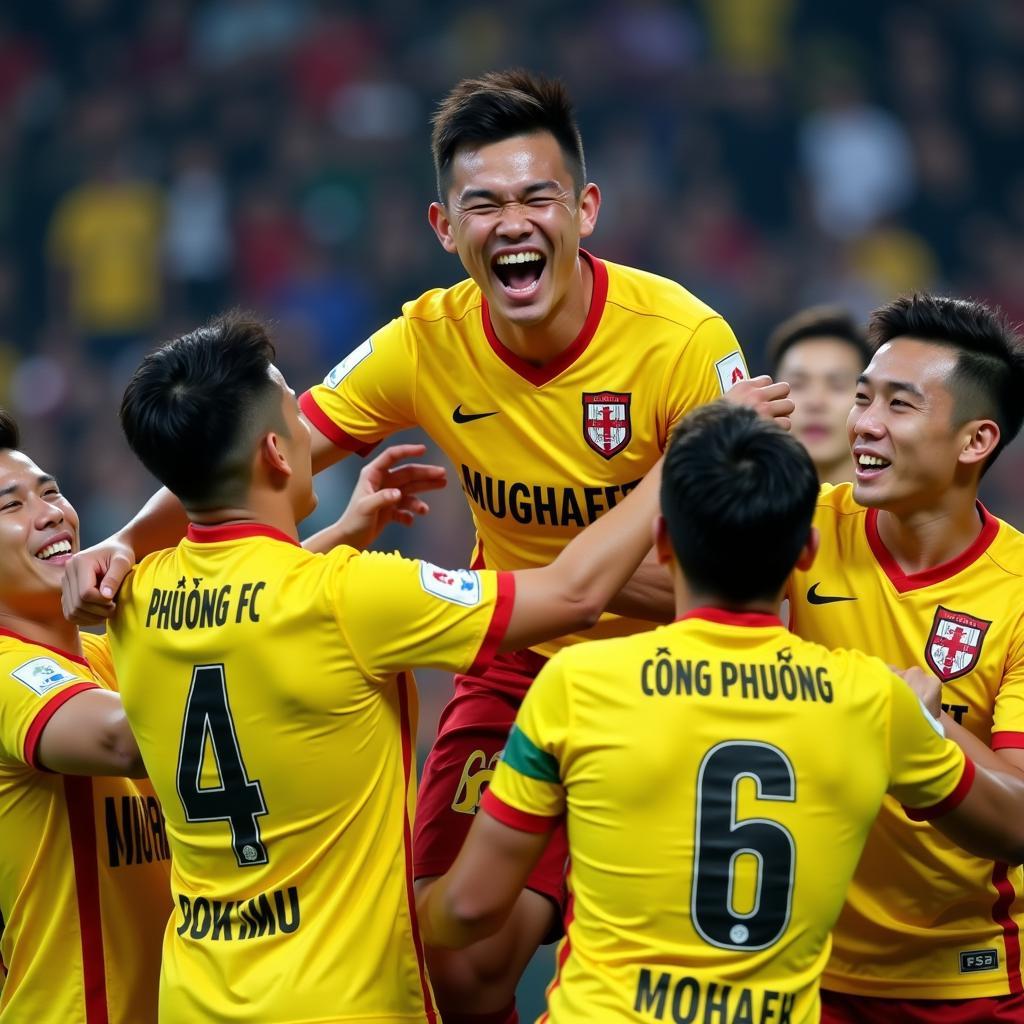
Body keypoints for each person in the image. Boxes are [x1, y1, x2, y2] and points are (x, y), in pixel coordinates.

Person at [62, 70, 793, 1023]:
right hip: (514, 663)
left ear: (587, 209)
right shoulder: (424, 340)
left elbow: (752, 585)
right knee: (461, 964)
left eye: (538, 196)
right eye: (484, 203)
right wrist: (115, 543)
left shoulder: (684, 342)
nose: (514, 222)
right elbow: (256, 452)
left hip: (666, 673)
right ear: (446, 229)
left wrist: (595, 586)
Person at [104, 312, 677, 1024]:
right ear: (280, 454)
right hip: (342, 1000)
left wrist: (340, 531)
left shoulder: (136, 599)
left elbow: (242, 609)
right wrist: (677, 459)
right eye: (295, 407)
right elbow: (574, 596)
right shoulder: (353, 594)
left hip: (194, 997)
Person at [416, 401, 1024, 1024]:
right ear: (807, 550)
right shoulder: (872, 701)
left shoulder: (578, 684)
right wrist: (935, 723)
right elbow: (1011, 828)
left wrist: (415, 917)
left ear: (661, 541)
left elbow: (469, 910)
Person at [784, 293, 1024, 1022]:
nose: (863, 423)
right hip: (802, 971)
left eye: (899, 404)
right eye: (864, 398)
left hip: (970, 985)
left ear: (974, 441)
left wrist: (922, 732)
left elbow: (1019, 818)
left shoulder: (1018, 595)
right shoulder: (802, 526)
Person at [0, 410, 171, 1023]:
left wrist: (341, 536)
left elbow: (252, 616)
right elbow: (126, 739)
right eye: (9, 507)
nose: (48, 512)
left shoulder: (104, 649)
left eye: (49, 491)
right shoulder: (6, 675)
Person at [766, 305, 869, 485]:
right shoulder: (738, 508)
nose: (815, 402)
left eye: (837, 385)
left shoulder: (897, 511)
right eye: (798, 384)